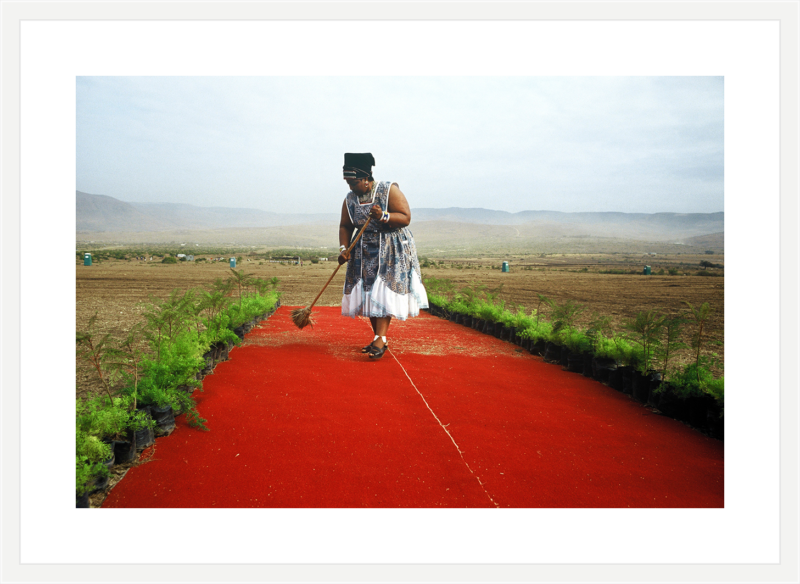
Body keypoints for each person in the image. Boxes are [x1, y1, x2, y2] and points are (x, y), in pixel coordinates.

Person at [338, 153, 428, 359]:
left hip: (391, 248)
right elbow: (345, 225)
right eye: (348, 183)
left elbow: (405, 218)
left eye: (353, 182)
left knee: (384, 290)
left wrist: (383, 216)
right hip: (363, 251)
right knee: (368, 293)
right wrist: (344, 248)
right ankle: (379, 337)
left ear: (366, 179)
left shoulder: (389, 191)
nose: (350, 187)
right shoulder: (350, 199)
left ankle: (381, 338)